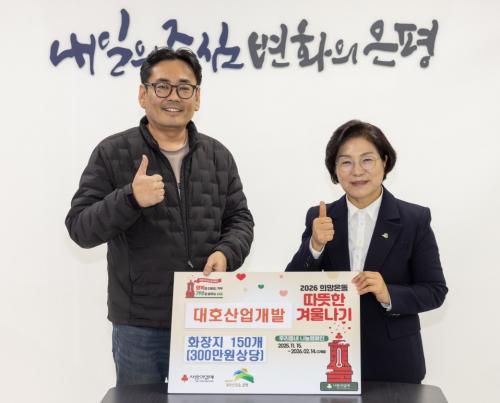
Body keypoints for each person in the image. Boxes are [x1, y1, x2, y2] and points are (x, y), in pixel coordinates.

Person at [65, 47, 254, 386]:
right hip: (139, 324)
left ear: (197, 98)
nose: (174, 96)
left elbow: (240, 219)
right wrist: (130, 198)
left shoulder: (218, 156)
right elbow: (80, 228)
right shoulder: (112, 152)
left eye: (185, 88)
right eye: (162, 86)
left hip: (206, 315)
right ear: (143, 94)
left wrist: (226, 253)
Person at [286, 119, 447, 383]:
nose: (357, 171)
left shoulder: (414, 219)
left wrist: (388, 293)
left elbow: (435, 291)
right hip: (330, 358)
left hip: (396, 362)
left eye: (367, 160)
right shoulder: (320, 217)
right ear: (335, 170)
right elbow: (291, 286)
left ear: (385, 161)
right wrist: (314, 245)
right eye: (346, 162)